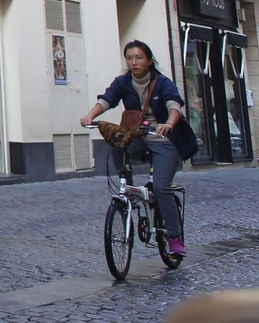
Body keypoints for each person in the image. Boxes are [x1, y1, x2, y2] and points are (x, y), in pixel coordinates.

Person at [81, 39, 196, 261]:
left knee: (162, 187)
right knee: (117, 141)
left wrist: (169, 124)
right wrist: (90, 116)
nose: (134, 62)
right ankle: (126, 189)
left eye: (139, 58)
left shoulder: (162, 83)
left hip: (164, 139)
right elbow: (107, 100)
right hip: (139, 136)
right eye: (130, 58)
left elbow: (175, 106)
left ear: (149, 60)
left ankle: (174, 239)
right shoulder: (123, 82)